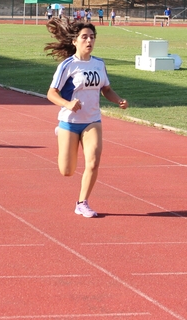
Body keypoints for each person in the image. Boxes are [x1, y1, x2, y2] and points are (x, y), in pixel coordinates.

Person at [45, 19, 128, 218]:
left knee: (93, 162)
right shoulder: (67, 66)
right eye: (84, 37)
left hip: (92, 121)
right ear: (75, 41)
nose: (89, 40)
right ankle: (61, 134)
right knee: (67, 171)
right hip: (70, 122)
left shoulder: (99, 64)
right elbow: (51, 93)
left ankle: (82, 202)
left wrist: (118, 100)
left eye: (92, 37)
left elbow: (106, 89)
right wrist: (67, 104)